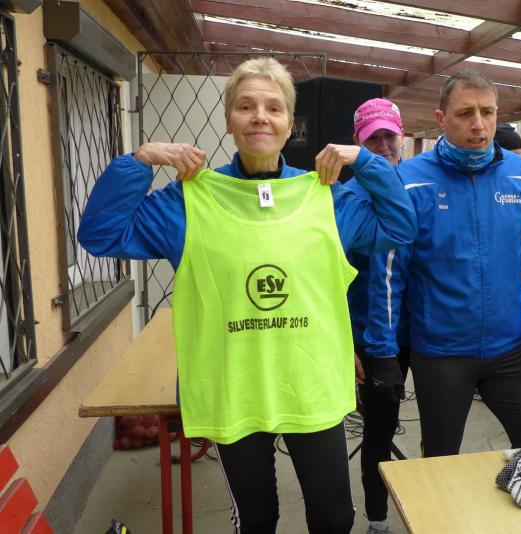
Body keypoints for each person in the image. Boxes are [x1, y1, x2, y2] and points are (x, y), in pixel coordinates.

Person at [77, 57, 417, 534]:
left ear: (290, 123)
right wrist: (140, 162)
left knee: (335, 516)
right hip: (233, 390)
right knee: (256, 520)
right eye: (246, 106)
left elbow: (401, 227)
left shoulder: (325, 198)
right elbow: (101, 234)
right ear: (229, 120)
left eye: (274, 107)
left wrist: (365, 161)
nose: (260, 117)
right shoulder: (190, 201)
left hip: (310, 388)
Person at [364, 70, 521, 458]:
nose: (479, 124)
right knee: (440, 465)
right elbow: (388, 275)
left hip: (511, 349)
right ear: (441, 118)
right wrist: (382, 352)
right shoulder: (409, 180)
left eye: (487, 112)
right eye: (465, 113)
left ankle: (516, 502)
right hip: (441, 355)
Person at [345, 97, 411, 534]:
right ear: (358, 141)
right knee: (379, 434)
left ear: (402, 136)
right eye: (374, 139)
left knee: (437, 430)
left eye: (390, 135)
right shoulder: (346, 197)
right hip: (370, 338)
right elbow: (331, 280)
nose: (384, 145)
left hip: (422, 331)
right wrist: (347, 343)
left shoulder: (417, 185)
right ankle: (378, 519)